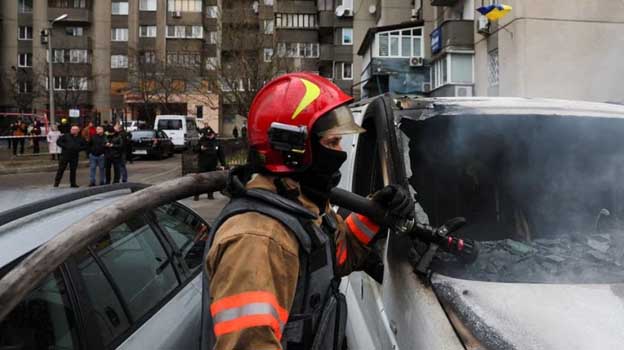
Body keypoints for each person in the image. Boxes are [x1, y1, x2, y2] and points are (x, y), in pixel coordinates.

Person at [200, 73, 415, 350]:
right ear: (293, 150)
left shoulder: (302, 206)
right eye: (332, 143)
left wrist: (375, 212)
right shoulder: (257, 241)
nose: (341, 152)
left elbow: (335, 257)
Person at [194, 128, 226, 200]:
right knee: (199, 180)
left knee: (211, 181)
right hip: (203, 164)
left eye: (211, 135)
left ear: (213, 134)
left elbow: (221, 154)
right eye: (208, 135)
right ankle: (196, 195)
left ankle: (210, 194)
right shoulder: (202, 141)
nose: (210, 136)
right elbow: (195, 150)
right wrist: (200, 148)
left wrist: (223, 164)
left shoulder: (217, 142)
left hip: (212, 165)